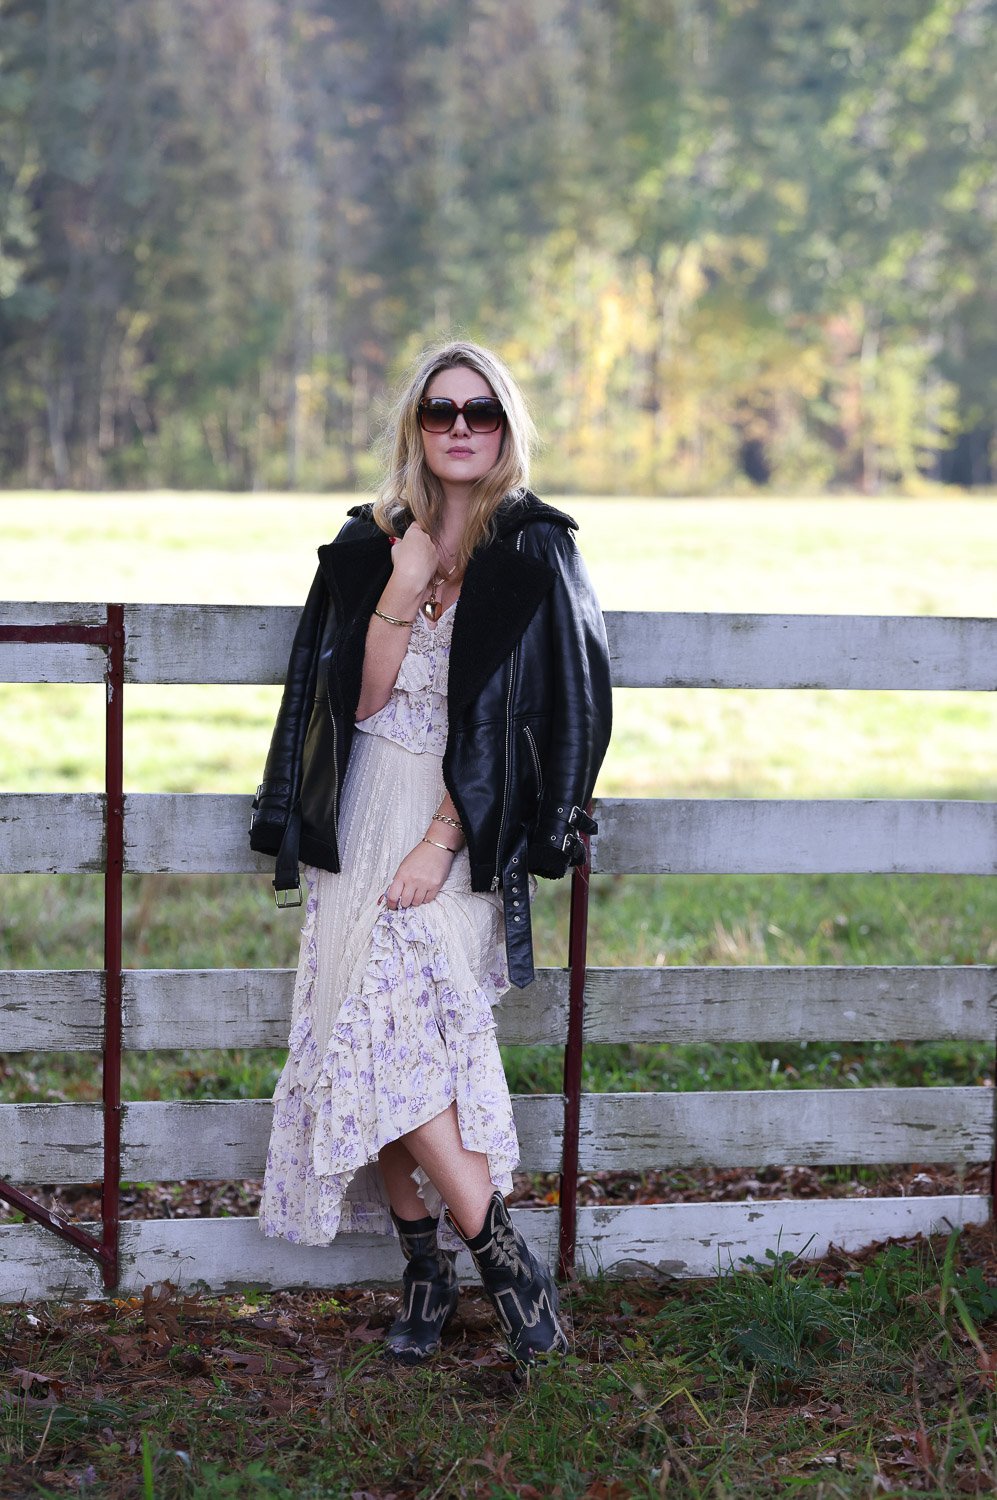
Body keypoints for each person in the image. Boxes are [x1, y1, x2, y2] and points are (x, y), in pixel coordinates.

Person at [249, 339, 612, 1366]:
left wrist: (442, 837)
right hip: (359, 811)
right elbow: (357, 705)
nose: (460, 428)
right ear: (415, 424)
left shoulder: (535, 545)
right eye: (440, 411)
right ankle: (429, 1267)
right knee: (363, 1026)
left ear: (505, 429)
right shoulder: (371, 540)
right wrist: (402, 585)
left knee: (399, 1011)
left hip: (465, 825)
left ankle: (501, 1262)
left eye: (479, 412)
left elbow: (568, 704)